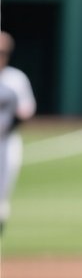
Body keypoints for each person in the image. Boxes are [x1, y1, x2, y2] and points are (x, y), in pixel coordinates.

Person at [0, 31, 37, 237]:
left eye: (3, 52)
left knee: (1, 196)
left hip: (5, 143)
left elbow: (26, 110)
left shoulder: (15, 79)